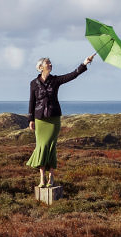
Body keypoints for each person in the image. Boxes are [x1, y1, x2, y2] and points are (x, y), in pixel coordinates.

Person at [26, 54, 96, 187]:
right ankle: (42, 179)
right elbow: (32, 101)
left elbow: (73, 75)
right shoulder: (33, 83)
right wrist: (31, 119)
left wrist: (85, 63)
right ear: (41, 67)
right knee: (41, 147)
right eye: (48, 63)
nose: (51, 64)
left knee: (50, 146)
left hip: (53, 118)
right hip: (40, 119)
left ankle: (51, 177)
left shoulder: (56, 80)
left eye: (51, 63)